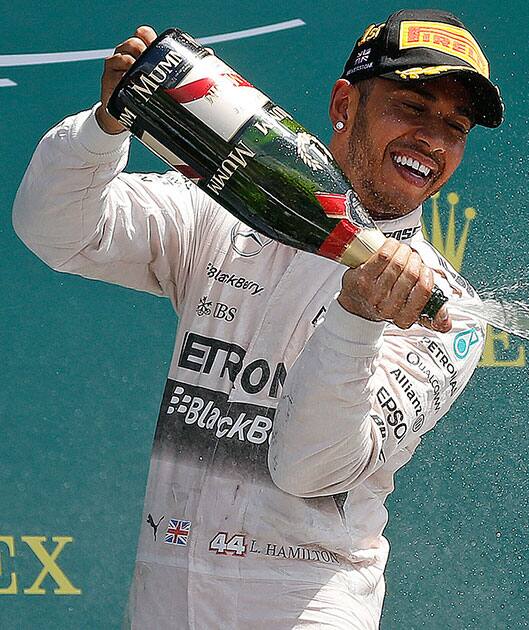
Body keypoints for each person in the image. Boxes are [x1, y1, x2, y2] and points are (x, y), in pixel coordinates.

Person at [13, 9, 502, 629]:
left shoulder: (444, 313)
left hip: (302, 605)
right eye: (412, 107)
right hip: (163, 595)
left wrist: (357, 317)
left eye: (455, 128)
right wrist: (105, 126)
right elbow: (54, 230)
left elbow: (308, 468)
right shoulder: (219, 211)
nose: (433, 140)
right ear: (344, 103)